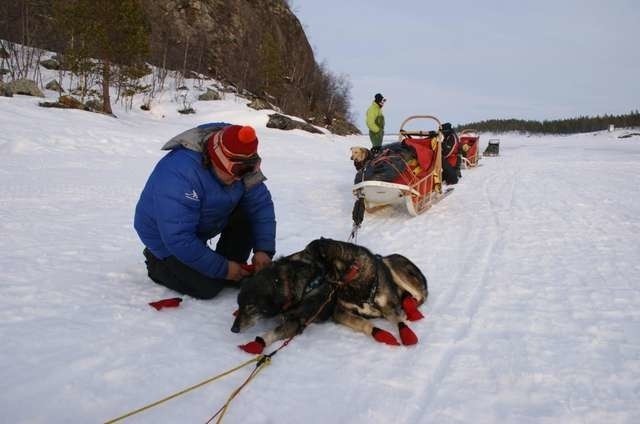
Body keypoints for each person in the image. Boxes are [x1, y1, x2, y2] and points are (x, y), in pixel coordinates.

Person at [134, 122, 276, 299]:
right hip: (164, 238)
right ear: (215, 160)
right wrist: (223, 269)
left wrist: (264, 249)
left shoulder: (242, 163)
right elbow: (178, 237)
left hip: (200, 224)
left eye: (246, 172)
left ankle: (228, 265)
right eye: (235, 172)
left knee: (247, 214)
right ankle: (156, 263)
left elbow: (260, 206)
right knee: (207, 288)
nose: (239, 178)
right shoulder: (181, 173)